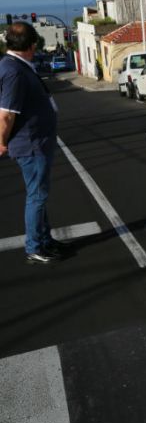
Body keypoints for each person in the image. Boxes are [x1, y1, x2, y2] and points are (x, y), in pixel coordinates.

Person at [0, 21, 66, 264]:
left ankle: (45, 240)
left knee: (39, 195)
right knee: (37, 197)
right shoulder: (14, 71)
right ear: (32, 45)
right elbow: (6, 114)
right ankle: (35, 247)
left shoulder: (16, 65)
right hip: (31, 144)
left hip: (37, 141)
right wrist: (1, 141)